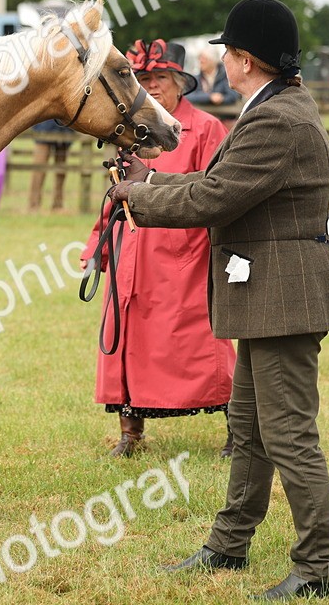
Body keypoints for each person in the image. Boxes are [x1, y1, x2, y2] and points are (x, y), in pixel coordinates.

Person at [110, 0, 329, 600]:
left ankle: (319, 568)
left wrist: (137, 196)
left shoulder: (277, 119)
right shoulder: (275, 107)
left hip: (284, 299)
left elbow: (215, 200)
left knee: (289, 433)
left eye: (229, 53)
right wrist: (153, 179)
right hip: (270, 296)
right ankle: (229, 545)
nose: (224, 63)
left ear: (245, 58)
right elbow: (218, 183)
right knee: (247, 426)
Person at [81, 39, 233, 458]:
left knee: (203, 341)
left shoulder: (205, 129)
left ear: (180, 83)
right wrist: (99, 244)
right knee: (126, 338)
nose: (153, 86)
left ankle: (238, 429)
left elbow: (220, 192)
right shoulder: (133, 132)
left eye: (160, 78)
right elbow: (116, 192)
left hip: (184, 256)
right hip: (132, 252)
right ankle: (130, 432)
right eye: (145, 79)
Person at [28, 118, 75, 211]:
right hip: (45, 125)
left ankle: (58, 203)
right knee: (39, 168)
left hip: (63, 126)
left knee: (61, 170)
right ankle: (33, 203)